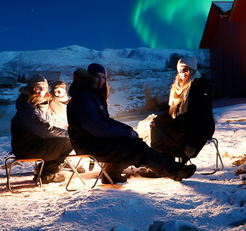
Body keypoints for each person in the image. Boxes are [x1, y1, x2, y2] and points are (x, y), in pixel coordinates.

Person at [67, 63, 196, 184]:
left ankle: (111, 175)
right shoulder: (83, 98)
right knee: (135, 148)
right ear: (88, 78)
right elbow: (97, 128)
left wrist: (127, 130)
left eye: (103, 77)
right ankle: (175, 171)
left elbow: (106, 121)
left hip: (95, 141)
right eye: (97, 77)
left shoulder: (92, 96)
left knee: (131, 144)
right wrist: (126, 134)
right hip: (88, 144)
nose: (101, 81)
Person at [149, 56, 214, 162]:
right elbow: (174, 112)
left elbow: (201, 119)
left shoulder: (199, 88)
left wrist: (192, 144)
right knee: (156, 123)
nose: (182, 73)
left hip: (196, 131)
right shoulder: (180, 88)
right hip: (184, 124)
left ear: (192, 70)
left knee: (158, 128)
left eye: (185, 69)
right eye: (180, 70)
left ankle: (161, 164)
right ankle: (164, 163)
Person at [10, 74, 73, 184]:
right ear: (31, 89)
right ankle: (48, 173)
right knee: (70, 141)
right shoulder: (27, 107)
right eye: (37, 87)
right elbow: (45, 129)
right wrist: (69, 134)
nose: (41, 91)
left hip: (32, 144)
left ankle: (45, 172)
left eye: (44, 88)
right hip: (26, 148)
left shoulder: (36, 105)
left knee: (64, 140)